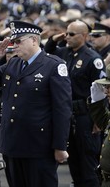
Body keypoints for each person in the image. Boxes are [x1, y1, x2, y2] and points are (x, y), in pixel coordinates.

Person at [0, 20, 72, 187]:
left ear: (34, 40)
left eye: (18, 41)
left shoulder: (53, 65)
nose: (14, 46)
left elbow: (62, 109)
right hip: (13, 143)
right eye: (12, 41)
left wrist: (60, 145)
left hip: (39, 145)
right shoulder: (14, 63)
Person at [44, 20, 105, 187]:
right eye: (66, 33)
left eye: (71, 34)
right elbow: (45, 54)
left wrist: (98, 118)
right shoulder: (64, 53)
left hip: (85, 115)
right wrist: (53, 40)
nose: (67, 37)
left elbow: (101, 89)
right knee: (74, 161)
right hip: (68, 114)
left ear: (84, 36)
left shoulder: (92, 58)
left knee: (88, 162)